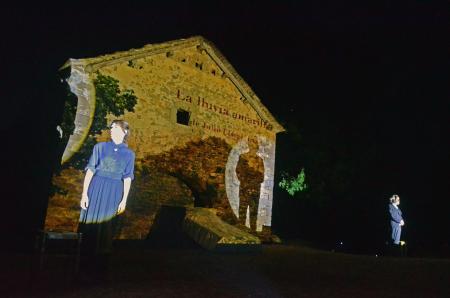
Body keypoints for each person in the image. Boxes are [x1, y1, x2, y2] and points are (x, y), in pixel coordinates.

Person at [78, 120, 135, 275]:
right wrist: (84, 193)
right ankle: (83, 268)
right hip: (96, 189)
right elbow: (90, 171)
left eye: (116, 128)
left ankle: (100, 271)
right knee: (90, 228)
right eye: (111, 128)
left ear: (124, 132)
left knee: (107, 230)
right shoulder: (100, 148)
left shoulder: (129, 154)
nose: (112, 130)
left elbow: (128, 178)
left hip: (114, 192)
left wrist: (124, 200)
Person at [236, 138, 265, 231]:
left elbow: (261, 177)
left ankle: (253, 234)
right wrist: (246, 183)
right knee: (242, 213)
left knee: (253, 214)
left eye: (254, 142)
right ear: (248, 144)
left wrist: (251, 182)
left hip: (255, 191)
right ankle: (241, 235)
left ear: (257, 145)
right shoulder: (243, 157)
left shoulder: (260, 160)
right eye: (250, 142)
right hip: (244, 190)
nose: (252, 144)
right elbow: (239, 172)